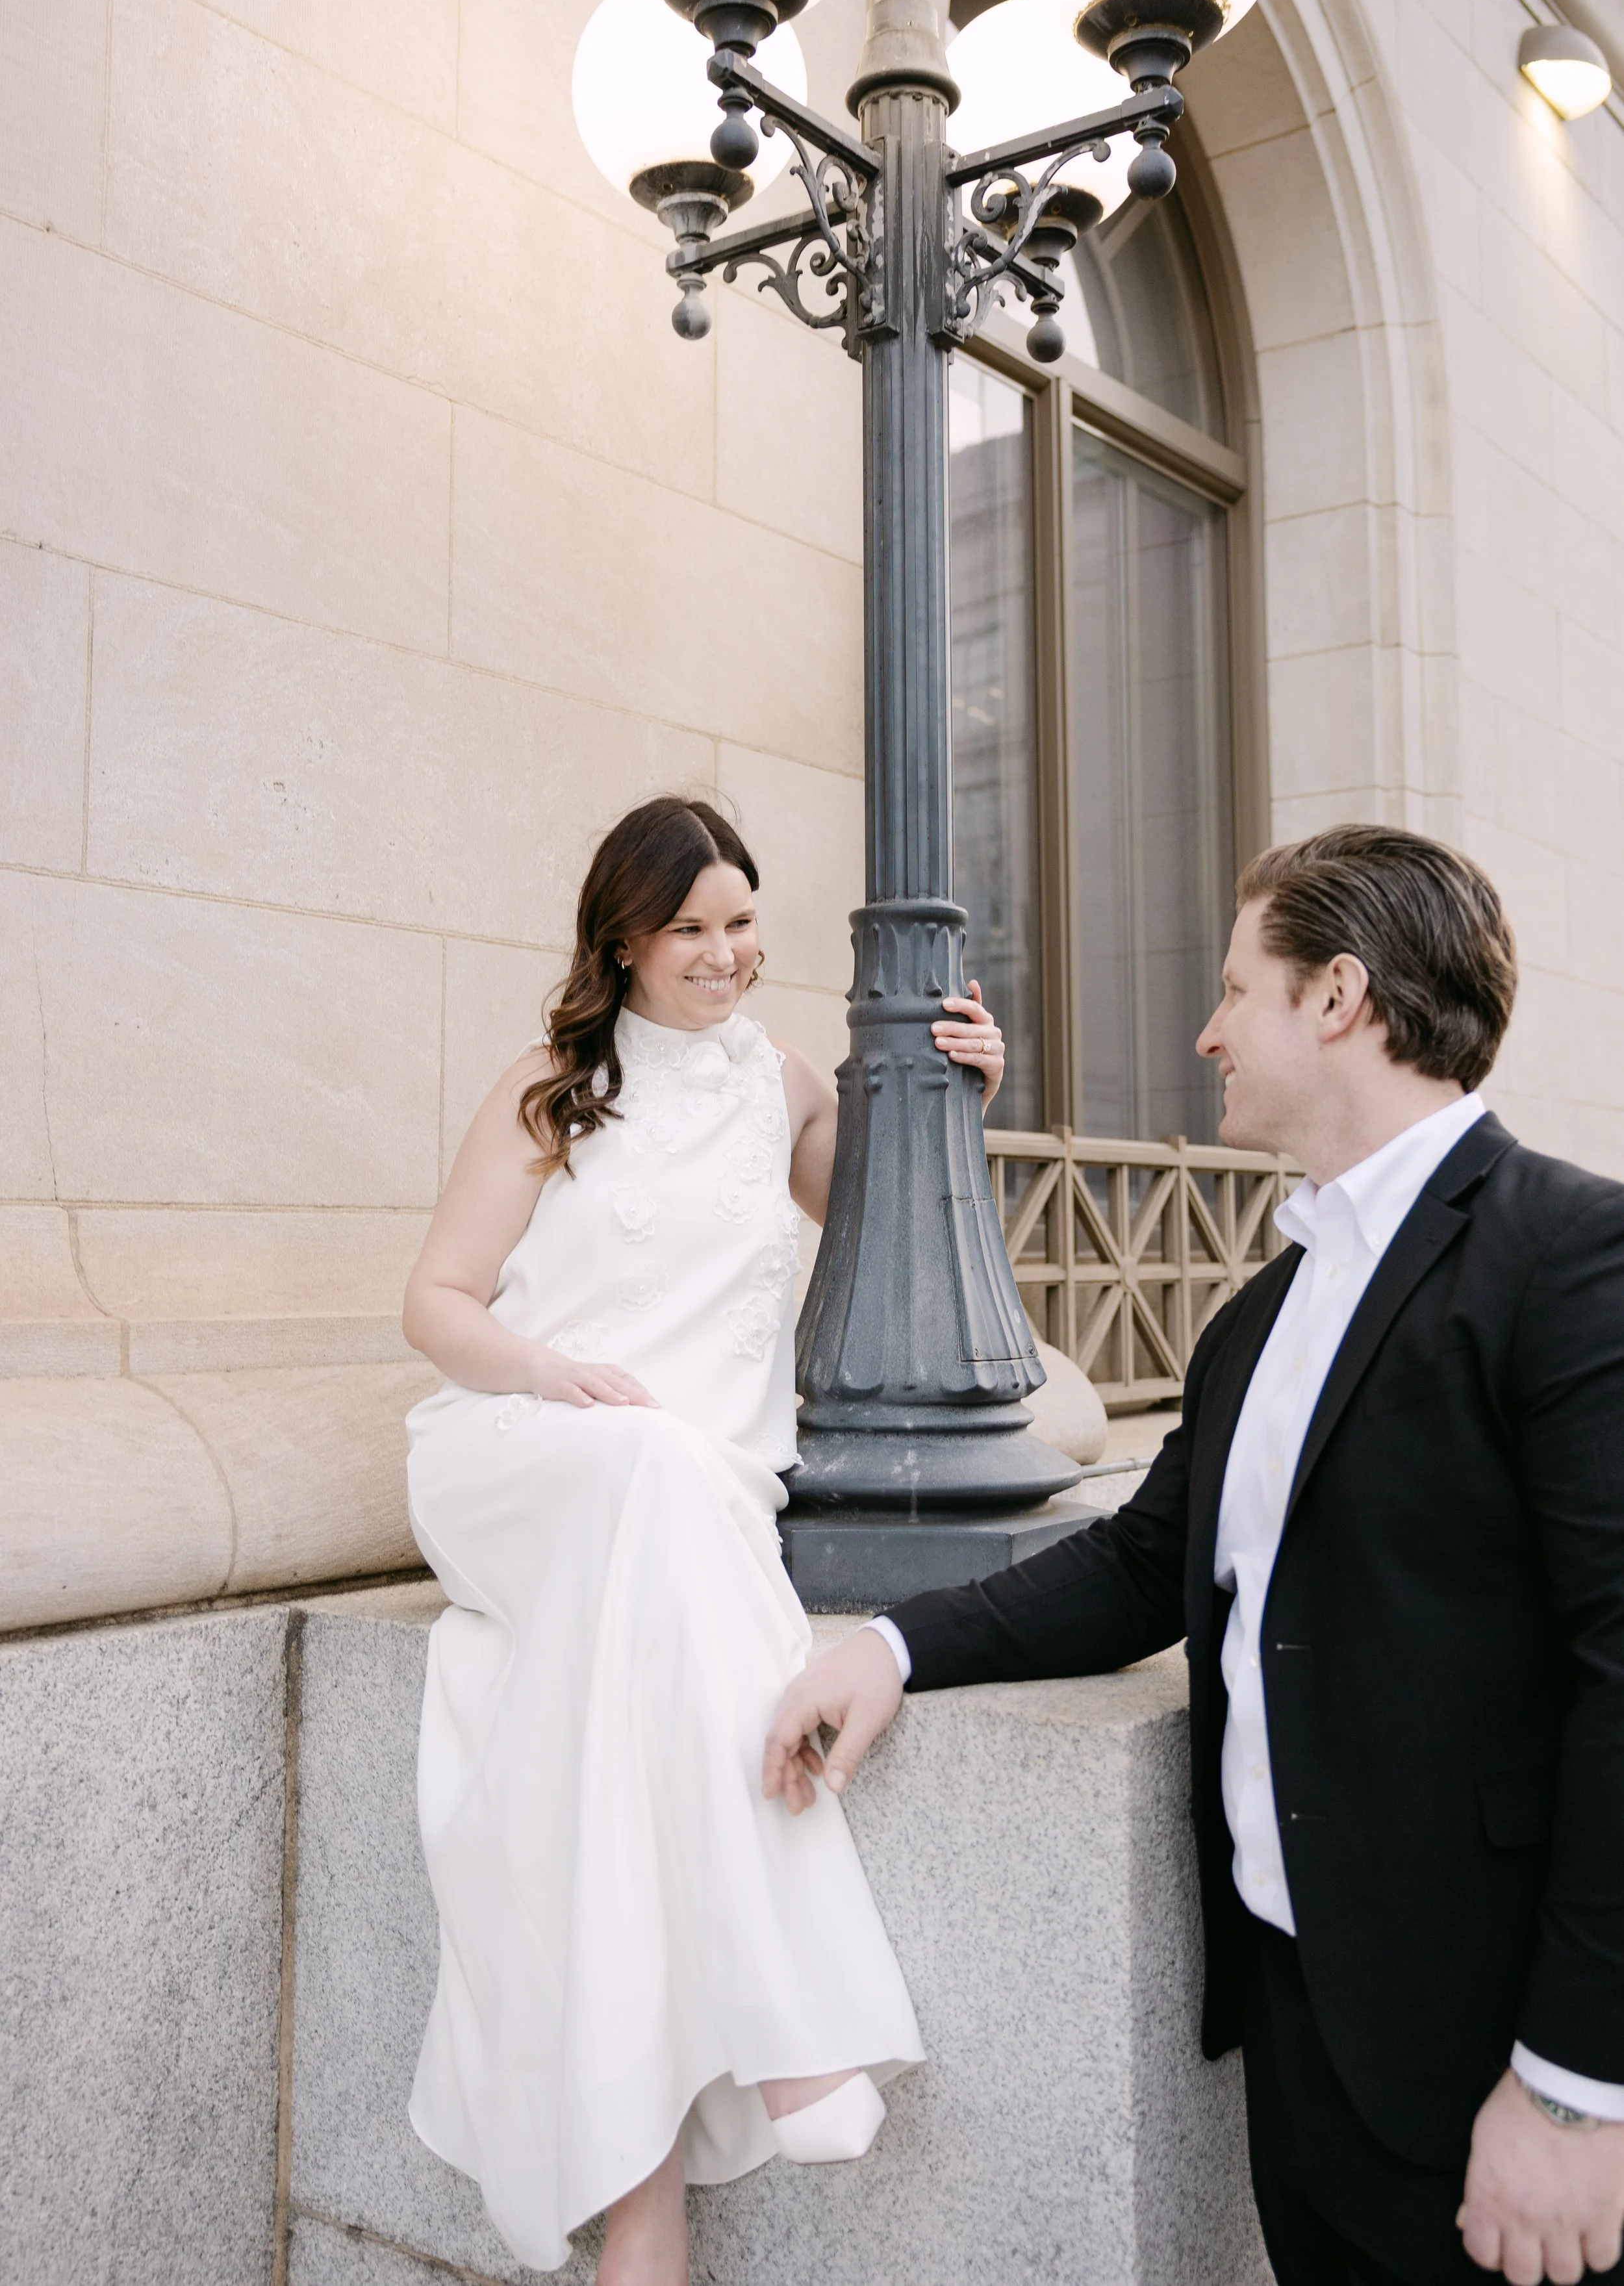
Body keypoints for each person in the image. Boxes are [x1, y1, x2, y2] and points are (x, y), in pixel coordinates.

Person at [765, 824, 1624, 2286]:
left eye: (1237, 989)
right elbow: (1133, 1564)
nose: (1204, 1029)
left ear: (1337, 996)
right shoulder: (1256, 1312)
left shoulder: (1568, 1255)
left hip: (1487, 2054)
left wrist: (1571, 2085)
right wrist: (891, 1646)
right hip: (1295, 2043)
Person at [399, 794, 1005, 2286]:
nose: (725, 953)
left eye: (742, 921)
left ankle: (641, 2212)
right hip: (525, 1456)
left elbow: (887, 1233)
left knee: (611, 1764)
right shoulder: (554, 1086)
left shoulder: (781, 1084)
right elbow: (438, 1303)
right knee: (650, 1469)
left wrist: (959, 1102)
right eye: (690, 928)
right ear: (624, 938)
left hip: (691, 1498)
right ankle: (790, 2030)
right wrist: (558, 1374)